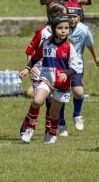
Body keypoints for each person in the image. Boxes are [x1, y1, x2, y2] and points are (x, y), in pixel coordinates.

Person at [19, 14, 81, 144]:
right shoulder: (46, 43)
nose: (64, 30)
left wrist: (66, 73)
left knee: (54, 113)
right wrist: (27, 68)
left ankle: (52, 132)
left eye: (66, 28)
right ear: (53, 29)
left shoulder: (69, 47)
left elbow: (75, 66)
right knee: (37, 101)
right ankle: (29, 128)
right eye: (60, 28)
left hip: (62, 84)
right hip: (46, 79)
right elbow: (35, 57)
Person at [21, 2, 68, 135]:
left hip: (56, 73)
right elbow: (30, 50)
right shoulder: (42, 32)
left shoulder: (64, 33)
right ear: (55, 16)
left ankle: (49, 130)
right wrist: (30, 66)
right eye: (65, 14)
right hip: (40, 71)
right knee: (40, 100)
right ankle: (29, 124)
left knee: (52, 101)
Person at [56, 1, 99, 135]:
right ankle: (61, 123)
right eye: (69, 16)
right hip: (61, 66)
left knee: (78, 92)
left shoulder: (83, 29)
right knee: (62, 95)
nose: (71, 19)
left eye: (74, 17)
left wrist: (96, 57)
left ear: (79, 17)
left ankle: (77, 115)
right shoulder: (60, 28)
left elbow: (90, 43)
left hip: (76, 66)